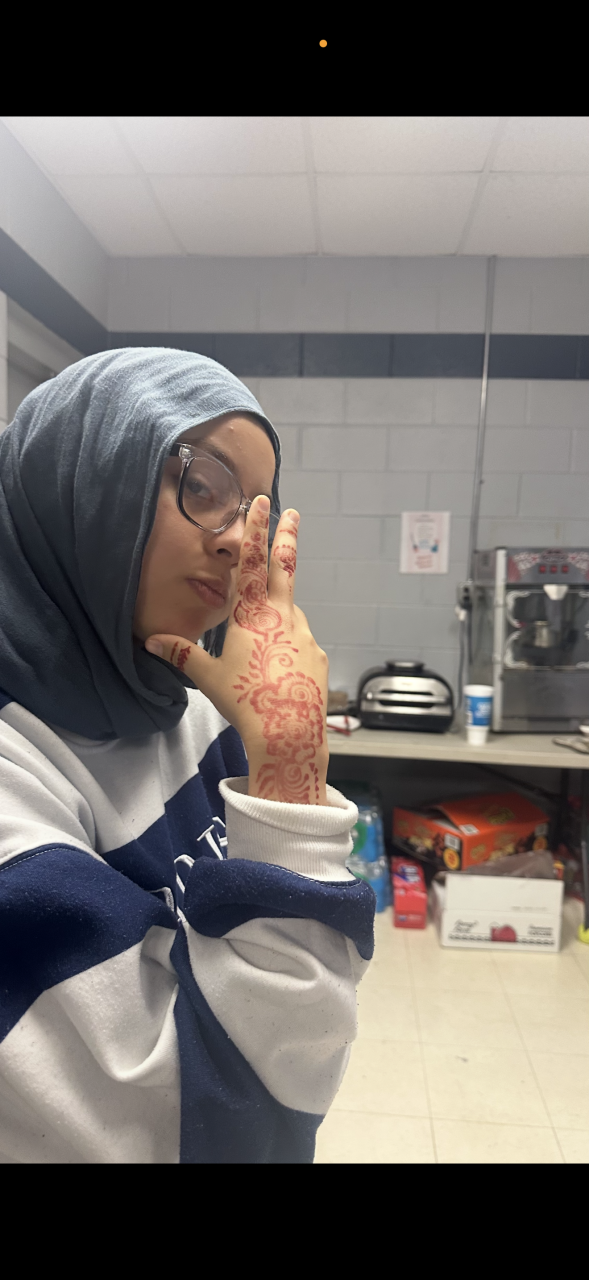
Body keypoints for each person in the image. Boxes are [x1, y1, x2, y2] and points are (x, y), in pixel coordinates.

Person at [0, 347, 374, 1164]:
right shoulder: (14, 778)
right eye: (203, 487)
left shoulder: (188, 703)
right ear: (87, 481)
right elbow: (215, 1122)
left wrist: (283, 762)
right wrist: (290, 782)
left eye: (256, 510)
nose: (240, 542)